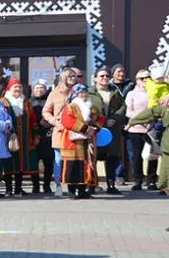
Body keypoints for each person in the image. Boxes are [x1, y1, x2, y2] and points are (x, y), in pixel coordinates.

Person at [43, 65, 82, 197]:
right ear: (64, 78)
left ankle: (75, 185)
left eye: (74, 77)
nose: (73, 79)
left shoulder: (79, 92)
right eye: (70, 76)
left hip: (76, 131)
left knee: (75, 159)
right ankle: (59, 185)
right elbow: (46, 112)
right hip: (60, 132)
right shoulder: (54, 94)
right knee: (59, 159)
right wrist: (56, 123)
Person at [87, 66, 126, 194]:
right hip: (95, 130)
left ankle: (111, 184)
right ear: (95, 78)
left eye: (107, 76)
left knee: (112, 157)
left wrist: (114, 119)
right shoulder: (89, 92)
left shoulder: (114, 91)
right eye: (102, 76)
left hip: (112, 129)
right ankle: (92, 184)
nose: (105, 78)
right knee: (93, 157)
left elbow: (123, 106)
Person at [1, 79, 40, 196]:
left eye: (19, 87)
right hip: (8, 138)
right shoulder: (3, 102)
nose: (17, 89)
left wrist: (36, 135)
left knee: (21, 163)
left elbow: (33, 120)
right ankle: (8, 189)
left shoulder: (26, 102)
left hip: (24, 139)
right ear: (9, 89)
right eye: (15, 87)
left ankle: (18, 188)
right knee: (8, 163)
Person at [60, 84, 99, 198]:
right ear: (76, 94)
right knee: (73, 164)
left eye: (85, 92)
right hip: (72, 141)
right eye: (81, 93)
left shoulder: (92, 107)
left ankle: (82, 190)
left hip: (87, 140)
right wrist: (86, 128)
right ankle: (71, 191)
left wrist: (96, 127)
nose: (84, 95)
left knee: (86, 163)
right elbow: (67, 121)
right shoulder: (71, 107)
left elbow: (100, 118)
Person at [125, 69, 157, 191]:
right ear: (137, 80)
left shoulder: (154, 93)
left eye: (148, 77)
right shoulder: (131, 94)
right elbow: (128, 112)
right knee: (137, 156)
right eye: (142, 78)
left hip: (151, 128)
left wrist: (151, 122)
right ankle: (138, 180)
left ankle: (152, 181)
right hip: (136, 129)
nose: (145, 80)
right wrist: (141, 120)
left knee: (153, 155)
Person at [29, 80, 53, 194]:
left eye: (41, 88)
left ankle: (47, 185)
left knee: (48, 162)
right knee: (34, 162)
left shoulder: (49, 101)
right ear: (33, 90)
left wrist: (49, 122)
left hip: (48, 135)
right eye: (37, 88)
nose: (39, 90)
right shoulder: (28, 102)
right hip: (33, 135)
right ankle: (35, 185)